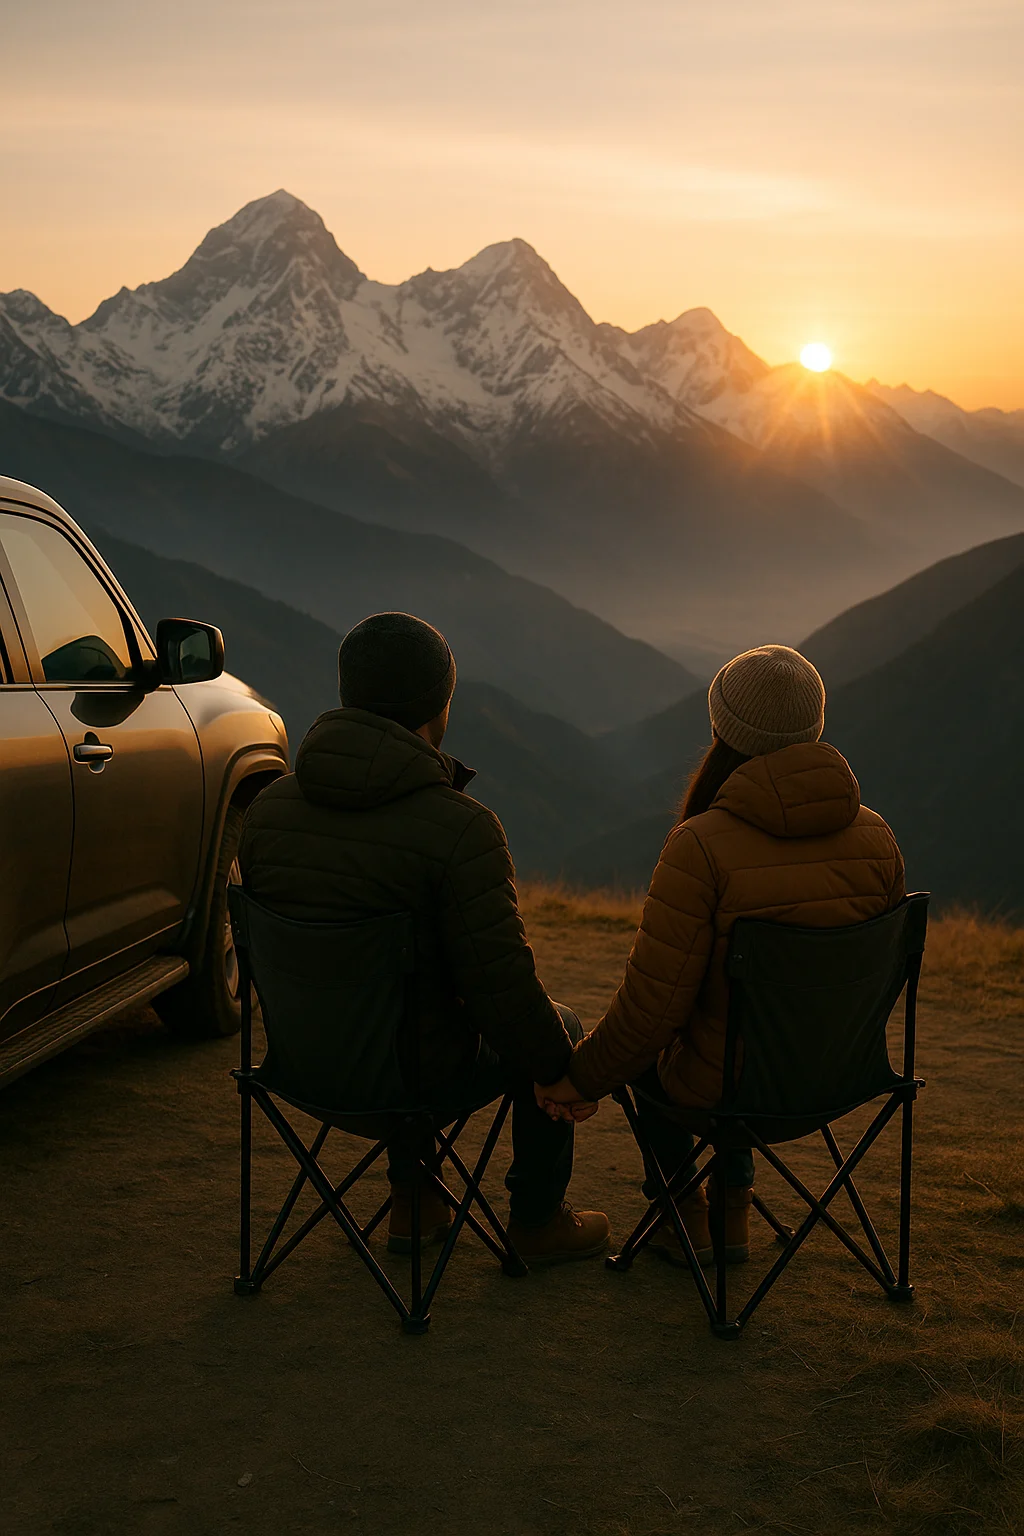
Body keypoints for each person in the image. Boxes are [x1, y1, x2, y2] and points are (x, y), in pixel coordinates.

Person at [238, 611, 610, 1265]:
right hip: (411, 1080)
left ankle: (418, 1201)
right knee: (556, 1021)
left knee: (400, 1005)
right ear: (440, 707)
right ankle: (536, 1221)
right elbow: (503, 990)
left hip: (299, 1064)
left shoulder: (268, 811)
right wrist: (561, 1071)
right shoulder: (459, 830)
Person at [536, 644, 905, 1265]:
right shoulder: (876, 838)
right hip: (844, 1075)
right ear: (814, 725)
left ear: (721, 730)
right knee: (731, 1031)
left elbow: (650, 1015)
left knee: (665, 1053)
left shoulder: (701, 846)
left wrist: (577, 1078)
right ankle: (730, 1210)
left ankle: (689, 1219)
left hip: (732, 1090)